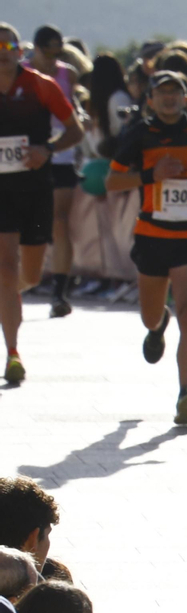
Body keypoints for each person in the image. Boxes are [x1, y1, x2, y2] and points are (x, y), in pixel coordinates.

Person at [103, 70, 187, 427]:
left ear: (185, 98)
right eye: (161, 93)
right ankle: (156, 325)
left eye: (175, 92)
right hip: (151, 234)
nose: (169, 98)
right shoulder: (138, 134)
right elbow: (113, 180)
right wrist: (152, 176)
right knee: (151, 314)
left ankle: (186, 393)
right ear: (150, 99)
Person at [0, 22, 82, 386]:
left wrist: (46, 149)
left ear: (20, 51)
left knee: (29, 276)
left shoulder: (40, 86)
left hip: (35, 187)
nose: (3, 54)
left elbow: (75, 130)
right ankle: (13, 353)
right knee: (5, 268)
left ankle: (6, 303)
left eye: (9, 47)